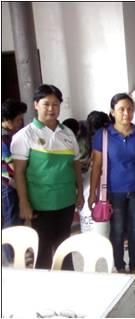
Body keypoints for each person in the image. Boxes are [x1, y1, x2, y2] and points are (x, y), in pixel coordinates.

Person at [11, 84, 84, 269]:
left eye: (56, 104)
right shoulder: (24, 135)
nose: (51, 108)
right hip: (41, 203)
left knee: (64, 245)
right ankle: (43, 291)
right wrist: (23, 202)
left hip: (66, 200)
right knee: (43, 249)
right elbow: (19, 172)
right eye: (46, 104)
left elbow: (75, 164)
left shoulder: (67, 133)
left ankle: (68, 280)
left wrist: (80, 192)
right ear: (36, 105)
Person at [88, 93, 135, 279]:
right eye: (121, 109)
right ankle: (118, 266)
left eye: (130, 109)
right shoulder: (102, 136)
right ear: (112, 112)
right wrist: (92, 193)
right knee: (117, 230)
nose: (126, 113)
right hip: (113, 191)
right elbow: (96, 166)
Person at [2, 99, 27, 264]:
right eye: (18, 120)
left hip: (11, 184)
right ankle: (12, 257)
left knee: (15, 218)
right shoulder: (3, 139)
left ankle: (18, 252)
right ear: (6, 121)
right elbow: (11, 163)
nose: (20, 123)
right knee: (11, 219)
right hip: (7, 185)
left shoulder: (9, 136)